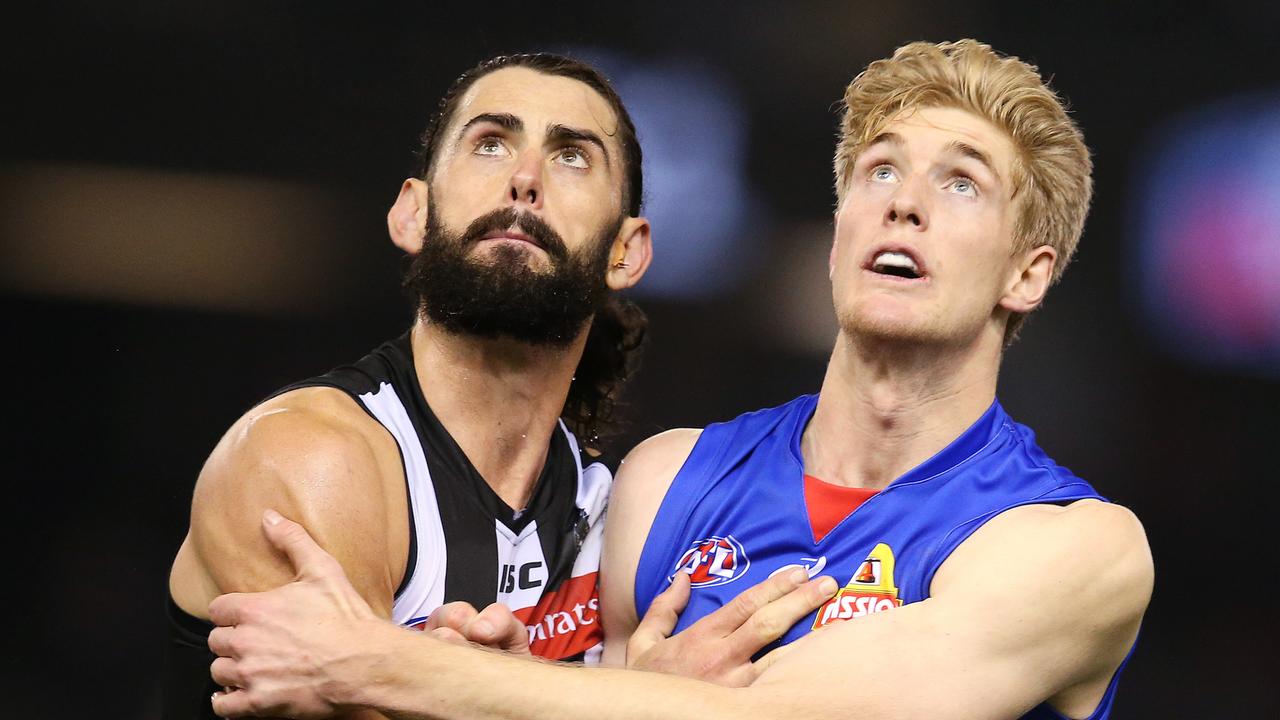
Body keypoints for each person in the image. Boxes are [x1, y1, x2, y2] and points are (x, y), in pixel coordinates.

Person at [203, 40, 1154, 720]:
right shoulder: (664, 483)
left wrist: (376, 662)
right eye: (877, 172)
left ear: (1029, 272)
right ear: (836, 232)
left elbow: (780, 717)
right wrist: (543, 681)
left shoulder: (1078, 551)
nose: (903, 202)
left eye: (960, 184)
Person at [163, 52, 673, 719]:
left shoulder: (615, 514)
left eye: (571, 157)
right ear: (412, 213)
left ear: (626, 251)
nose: (525, 180)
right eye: (490, 144)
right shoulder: (310, 455)